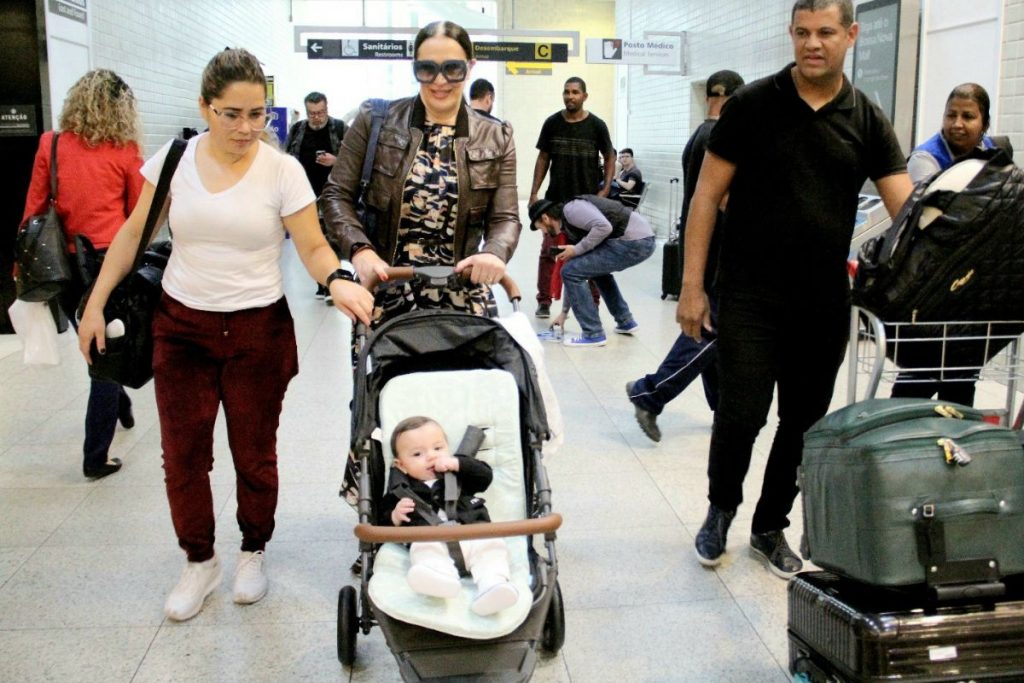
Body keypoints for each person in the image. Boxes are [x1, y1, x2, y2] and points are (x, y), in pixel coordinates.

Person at [77, 48, 374, 621]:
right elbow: (134, 233)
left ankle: (253, 551)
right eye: (231, 114)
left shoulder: (281, 170)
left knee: (254, 455)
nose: (245, 127)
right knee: (182, 455)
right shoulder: (176, 160)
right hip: (182, 327)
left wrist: (337, 279)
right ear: (205, 107)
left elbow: (312, 245)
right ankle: (199, 560)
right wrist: (94, 305)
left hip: (257, 330)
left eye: (256, 114)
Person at [677, 0, 913, 579]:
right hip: (749, 294)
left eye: (826, 32)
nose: (813, 43)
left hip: (822, 300)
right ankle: (720, 509)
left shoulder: (866, 118)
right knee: (741, 415)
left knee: (803, 423)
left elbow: (906, 212)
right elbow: (705, 197)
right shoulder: (752, 105)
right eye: (803, 32)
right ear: (791, 33)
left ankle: (769, 525)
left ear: (850, 35)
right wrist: (691, 287)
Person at [321, 20, 520, 331]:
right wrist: (360, 250)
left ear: (470, 67)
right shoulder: (375, 121)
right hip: (386, 294)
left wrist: (494, 253)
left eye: (452, 68)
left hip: (465, 299)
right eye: (427, 69)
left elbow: (505, 217)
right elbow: (336, 195)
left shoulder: (496, 136)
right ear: (414, 68)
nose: (440, 81)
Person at [20, 69, 144, 480]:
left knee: (98, 346)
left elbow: (35, 208)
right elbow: (137, 216)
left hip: (64, 264)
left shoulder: (51, 144)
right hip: (110, 261)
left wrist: (22, 263)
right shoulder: (126, 150)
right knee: (104, 356)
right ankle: (96, 456)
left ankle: (120, 405)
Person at [626, 70, 744, 442]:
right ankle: (650, 393)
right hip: (719, 250)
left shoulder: (699, 135)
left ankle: (722, 410)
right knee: (712, 329)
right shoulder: (722, 137)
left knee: (715, 331)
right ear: (735, 98)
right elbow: (724, 200)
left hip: (705, 247)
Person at [890, 83, 998, 406]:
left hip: (970, 288)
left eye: (968, 116)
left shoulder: (992, 152)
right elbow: (934, 227)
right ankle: (899, 426)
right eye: (951, 115)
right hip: (929, 287)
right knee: (920, 373)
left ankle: (957, 432)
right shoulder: (926, 159)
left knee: (962, 377)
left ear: (985, 123)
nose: (957, 124)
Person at [382, 416, 518, 617]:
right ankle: (440, 579)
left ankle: (493, 587)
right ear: (400, 465)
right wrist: (394, 515)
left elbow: (484, 477)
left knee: (492, 547)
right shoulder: (400, 492)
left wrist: (458, 463)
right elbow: (379, 521)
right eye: (418, 454)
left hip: (474, 534)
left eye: (438, 448)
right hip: (431, 540)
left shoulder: (460, 475)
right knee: (422, 549)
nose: (431, 457)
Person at [529, 77, 615, 319]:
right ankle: (544, 301)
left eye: (575, 92)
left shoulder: (597, 125)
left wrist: (605, 190)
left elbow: (610, 156)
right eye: (566, 92)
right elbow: (543, 158)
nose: (570, 96)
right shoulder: (552, 123)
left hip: (588, 202)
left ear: (584, 96)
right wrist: (534, 192)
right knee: (550, 252)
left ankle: (593, 303)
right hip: (556, 201)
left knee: (591, 255)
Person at [528, 195, 654, 347]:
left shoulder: (571, 209)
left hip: (635, 241)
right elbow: (575, 270)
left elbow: (604, 227)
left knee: (570, 271)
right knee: (590, 271)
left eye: (540, 227)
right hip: (639, 240)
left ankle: (593, 334)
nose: (544, 232)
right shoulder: (569, 226)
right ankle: (625, 321)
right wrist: (564, 313)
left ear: (545, 218)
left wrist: (576, 249)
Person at [285, 91, 349, 299]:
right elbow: (286, 158)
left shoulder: (339, 128)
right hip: (304, 195)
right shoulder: (297, 130)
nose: (317, 117)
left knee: (332, 240)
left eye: (321, 112)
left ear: (327, 109)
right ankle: (322, 283)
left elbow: (355, 159)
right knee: (313, 241)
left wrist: (335, 160)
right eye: (312, 114)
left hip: (332, 193)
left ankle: (332, 283)